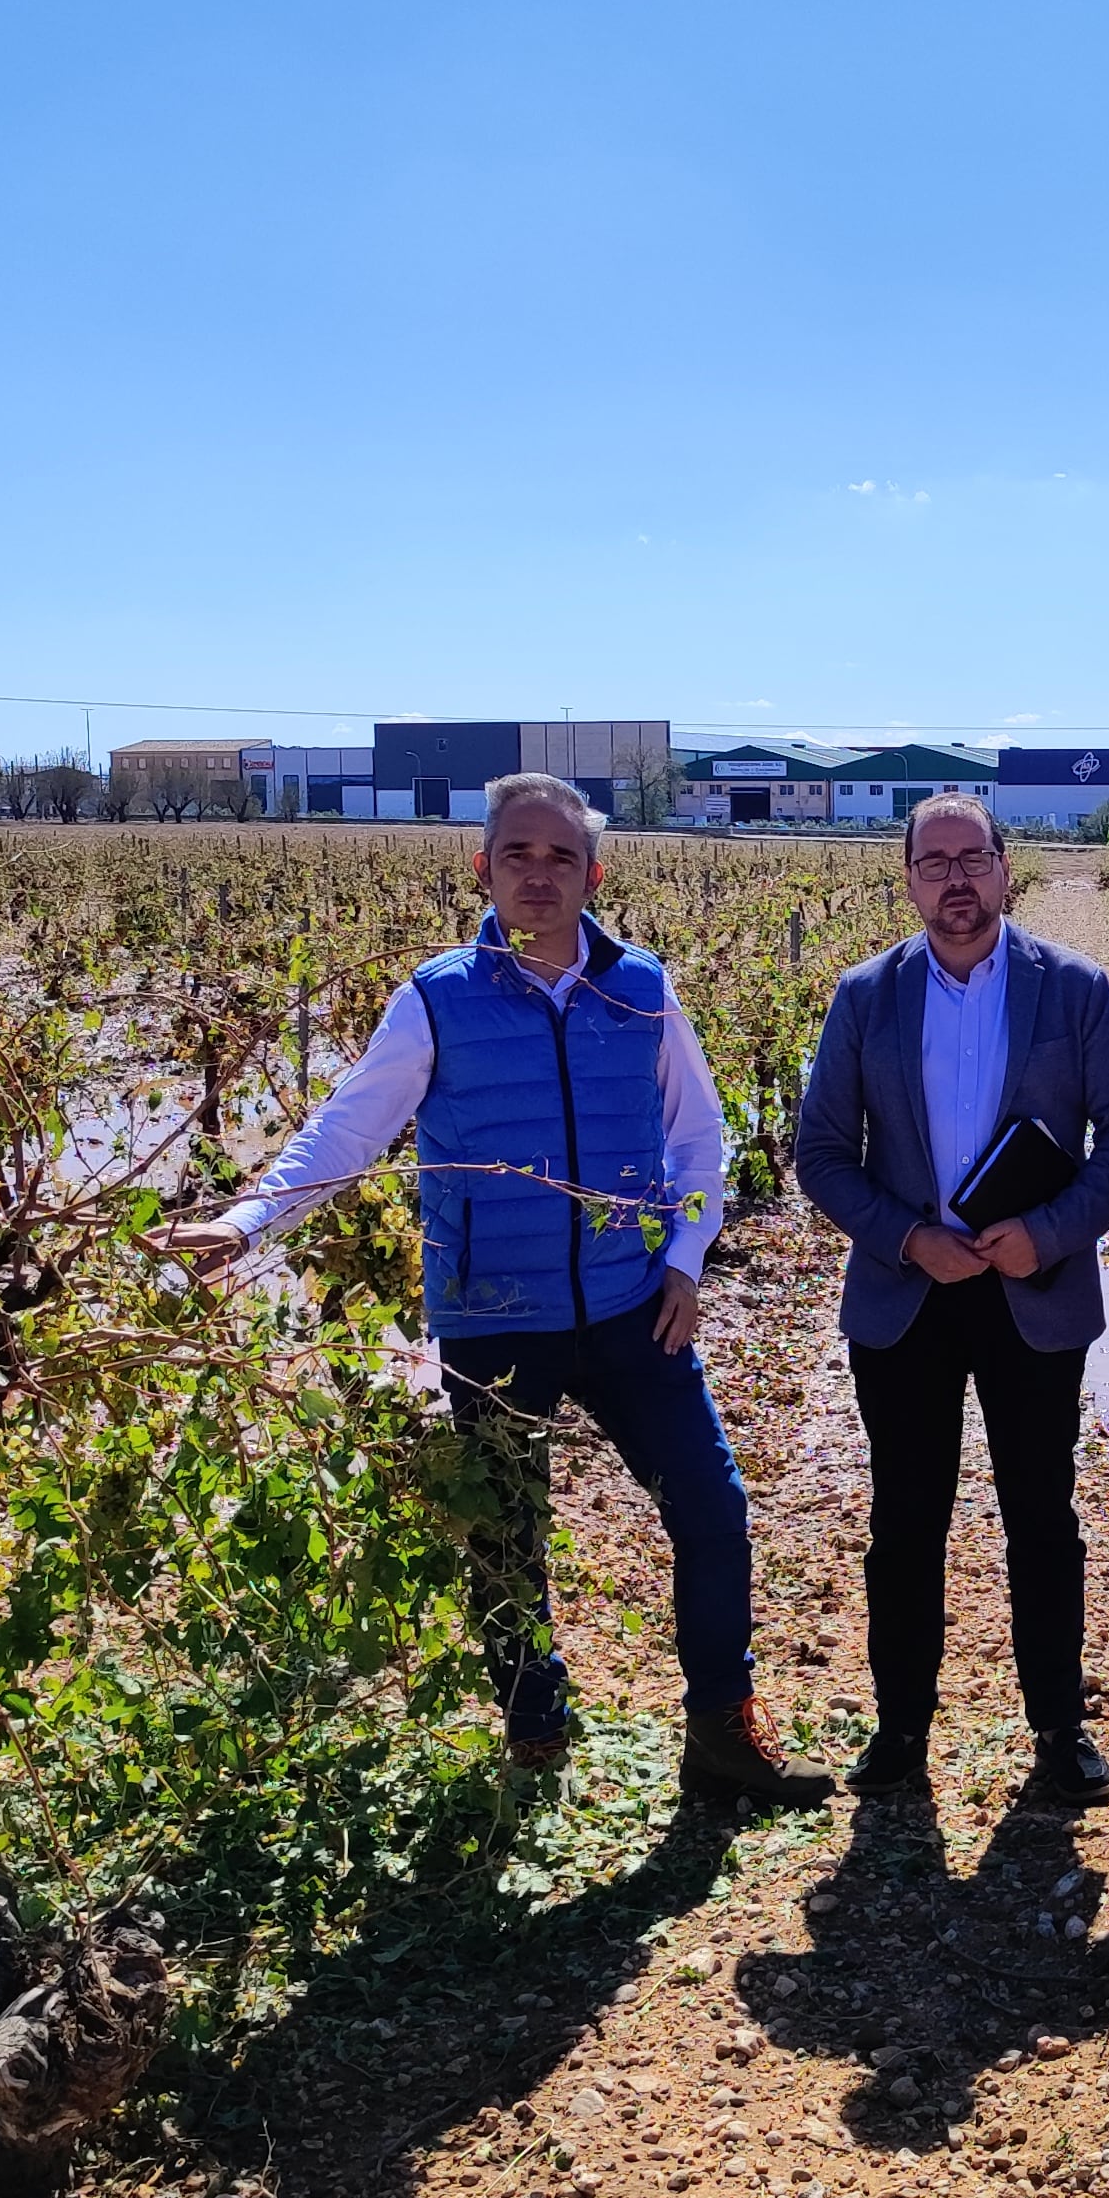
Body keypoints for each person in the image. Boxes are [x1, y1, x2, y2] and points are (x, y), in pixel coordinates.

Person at [167, 771, 829, 1811]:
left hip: (628, 1307)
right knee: (507, 1542)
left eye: (560, 855)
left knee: (711, 1506)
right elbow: (348, 1128)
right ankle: (533, 1727)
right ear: (482, 867)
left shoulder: (642, 989)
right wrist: (248, 1220)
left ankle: (721, 1732)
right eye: (518, 853)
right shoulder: (436, 996)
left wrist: (686, 1264)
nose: (538, 872)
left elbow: (697, 1135)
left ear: (593, 874)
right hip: (495, 1317)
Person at [793, 792, 1109, 1806]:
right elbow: (820, 1153)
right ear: (907, 878)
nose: (954, 879)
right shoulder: (864, 996)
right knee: (906, 1517)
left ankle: (1057, 1731)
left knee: (1041, 1513)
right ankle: (900, 1733)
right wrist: (908, 1237)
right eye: (933, 863)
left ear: (1005, 868)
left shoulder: (1075, 991)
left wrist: (1042, 1233)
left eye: (972, 859)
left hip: (1029, 1291)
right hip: (907, 1295)